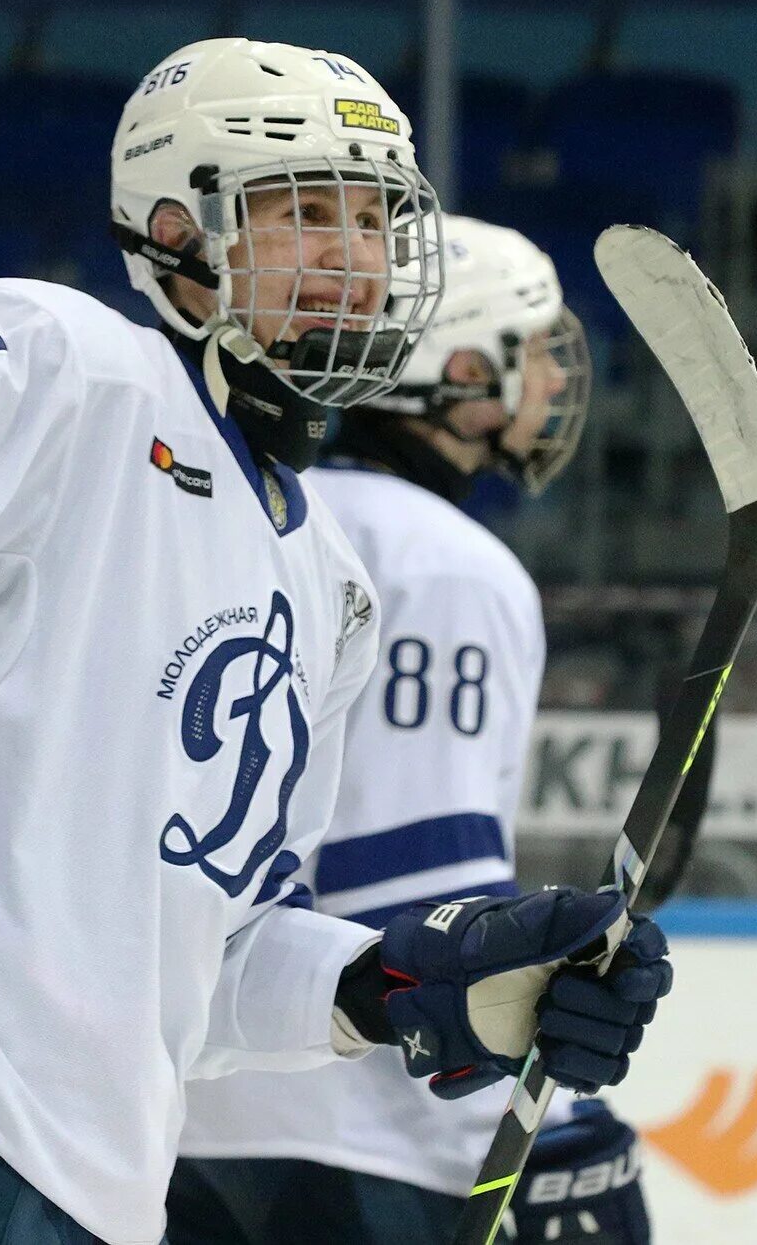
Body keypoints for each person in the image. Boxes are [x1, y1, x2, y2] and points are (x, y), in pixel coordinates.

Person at [0, 40, 672, 1245]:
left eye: (374, 221)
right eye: (300, 212)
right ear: (177, 233)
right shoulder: (62, 366)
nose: (350, 257)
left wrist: (421, 980)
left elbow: (218, 959)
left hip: (101, 1183)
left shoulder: (328, 583)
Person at [171, 216, 653, 1244]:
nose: (551, 387)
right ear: (460, 367)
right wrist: (548, 1115)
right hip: (362, 1147)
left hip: (181, 1118)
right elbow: (424, 893)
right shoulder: (439, 564)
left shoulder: (238, 516)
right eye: (524, 356)